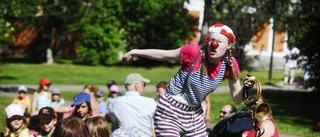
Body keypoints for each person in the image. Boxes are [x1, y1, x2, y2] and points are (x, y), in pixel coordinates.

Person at [122, 23, 256, 136]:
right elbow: (162, 54)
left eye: (219, 41)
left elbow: (237, 99)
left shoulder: (230, 64)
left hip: (195, 115)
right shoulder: (193, 52)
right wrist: (135, 52)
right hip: (170, 110)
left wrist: (246, 87)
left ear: (229, 45)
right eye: (211, 40)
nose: (213, 44)